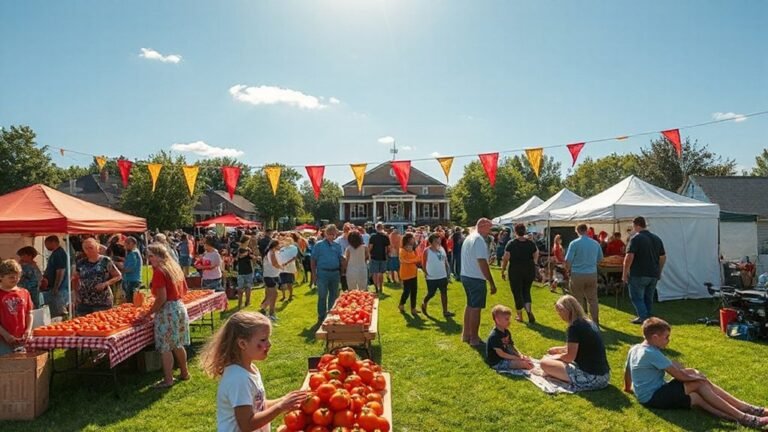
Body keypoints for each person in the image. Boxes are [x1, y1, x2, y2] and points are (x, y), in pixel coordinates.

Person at [624, 317, 768, 428]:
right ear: (655, 337)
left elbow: (627, 371)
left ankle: (735, 417)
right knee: (698, 382)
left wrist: (627, 388)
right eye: (666, 337)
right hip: (654, 396)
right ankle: (747, 416)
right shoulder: (652, 353)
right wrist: (699, 377)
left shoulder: (636, 348)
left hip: (648, 396)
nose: (668, 340)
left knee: (696, 397)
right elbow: (679, 376)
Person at [201, 311, 306, 432]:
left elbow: (258, 406)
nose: (269, 344)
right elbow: (247, 425)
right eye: (263, 340)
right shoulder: (238, 379)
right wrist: (280, 406)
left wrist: (284, 400)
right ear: (242, 344)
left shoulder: (250, 369)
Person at [142, 244, 190, 389]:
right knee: (177, 343)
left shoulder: (160, 271)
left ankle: (168, 380)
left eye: (151, 256)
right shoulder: (174, 267)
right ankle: (184, 372)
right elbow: (185, 290)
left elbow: (162, 298)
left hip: (167, 310)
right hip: (179, 307)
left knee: (165, 347)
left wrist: (148, 312)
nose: (149, 259)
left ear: (159, 256)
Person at [540, 295, 610, 392]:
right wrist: (558, 350)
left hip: (591, 378)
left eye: (560, 311)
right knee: (553, 359)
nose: (559, 314)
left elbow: (569, 357)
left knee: (544, 363)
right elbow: (580, 346)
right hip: (604, 377)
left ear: (568, 310)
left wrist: (555, 357)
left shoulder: (574, 327)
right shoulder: (588, 322)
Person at [460, 218, 498, 346]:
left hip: (466, 275)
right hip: (475, 277)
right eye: (489, 228)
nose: (490, 231)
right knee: (476, 308)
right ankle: (474, 338)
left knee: (470, 305)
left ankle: (466, 334)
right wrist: (491, 282)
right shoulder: (479, 240)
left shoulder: (469, 238)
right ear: (482, 226)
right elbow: (482, 262)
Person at [623, 216, 666, 324]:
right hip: (653, 273)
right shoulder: (656, 238)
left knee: (636, 297)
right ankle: (648, 316)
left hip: (639, 273)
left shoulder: (636, 238)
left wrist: (624, 273)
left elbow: (629, 256)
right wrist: (659, 271)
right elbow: (663, 257)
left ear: (636, 225)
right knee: (648, 297)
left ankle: (644, 317)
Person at [564, 224, 604, 326]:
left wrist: (567, 270)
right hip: (591, 274)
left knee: (578, 299)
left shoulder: (574, 243)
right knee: (593, 299)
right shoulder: (595, 243)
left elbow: (568, 260)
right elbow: (600, 259)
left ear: (577, 231)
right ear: (587, 230)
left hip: (577, 274)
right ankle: (595, 321)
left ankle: (580, 321)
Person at [500, 224, 539, 324]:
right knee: (526, 291)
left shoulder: (511, 243)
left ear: (515, 231)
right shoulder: (530, 243)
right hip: (529, 269)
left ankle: (520, 315)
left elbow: (506, 257)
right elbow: (536, 253)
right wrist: (534, 262)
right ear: (525, 231)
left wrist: (503, 269)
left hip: (515, 270)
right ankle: (529, 312)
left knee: (517, 292)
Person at [75, 238, 122, 316]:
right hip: (84, 301)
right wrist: (75, 293)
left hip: (102, 301)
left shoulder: (105, 261)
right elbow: (75, 278)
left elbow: (118, 276)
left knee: (101, 324)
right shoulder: (81, 262)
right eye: (86, 248)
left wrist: (105, 284)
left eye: (91, 247)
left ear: (97, 248)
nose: (88, 250)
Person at [0, 260, 34, 355]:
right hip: (2, 340)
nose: (15, 279)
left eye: (17, 276)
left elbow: (29, 313)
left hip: (21, 338)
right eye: (11, 277)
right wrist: (5, 335)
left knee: (21, 366)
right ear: (1, 277)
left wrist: (28, 329)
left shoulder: (24, 292)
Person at [486, 304, 534, 372]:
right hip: (498, 362)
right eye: (507, 319)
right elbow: (501, 354)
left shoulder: (506, 332)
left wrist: (519, 355)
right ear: (497, 320)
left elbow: (511, 346)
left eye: (509, 319)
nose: (509, 322)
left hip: (506, 357)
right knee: (524, 364)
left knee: (526, 360)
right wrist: (515, 358)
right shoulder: (494, 336)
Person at [311, 225, 344, 322]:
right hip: (323, 273)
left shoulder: (337, 246)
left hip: (335, 273)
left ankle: (331, 313)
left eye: (333, 234)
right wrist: (314, 274)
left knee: (334, 295)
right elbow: (313, 260)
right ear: (325, 234)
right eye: (330, 234)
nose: (332, 236)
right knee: (322, 295)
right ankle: (321, 315)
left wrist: (343, 269)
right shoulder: (319, 245)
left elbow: (340, 258)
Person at [421, 233, 454, 318]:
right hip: (431, 277)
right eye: (436, 240)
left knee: (444, 293)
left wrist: (448, 274)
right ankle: (424, 303)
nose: (438, 241)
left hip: (442, 276)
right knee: (431, 293)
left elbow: (445, 261)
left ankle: (445, 311)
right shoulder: (426, 251)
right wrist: (426, 273)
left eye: (439, 240)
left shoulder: (442, 249)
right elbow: (423, 264)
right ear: (431, 242)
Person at [42, 235, 70, 317]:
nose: (46, 246)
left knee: (59, 313)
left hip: (60, 289)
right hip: (56, 288)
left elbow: (60, 271)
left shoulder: (59, 253)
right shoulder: (55, 253)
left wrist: (56, 287)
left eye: (46, 244)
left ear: (53, 242)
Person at [398, 233, 421, 315]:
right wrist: (413, 260)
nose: (413, 240)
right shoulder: (402, 250)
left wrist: (413, 260)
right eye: (412, 238)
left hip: (414, 273)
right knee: (406, 291)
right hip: (405, 273)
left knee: (414, 291)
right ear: (408, 239)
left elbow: (418, 258)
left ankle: (413, 308)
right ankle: (401, 304)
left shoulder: (414, 249)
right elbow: (404, 260)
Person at [260, 240, 282, 322]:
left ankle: (263, 308)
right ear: (275, 245)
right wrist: (282, 267)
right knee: (274, 294)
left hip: (274, 275)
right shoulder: (271, 253)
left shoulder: (274, 252)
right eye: (279, 245)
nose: (280, 246)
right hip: (269, 276)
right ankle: (271, 313)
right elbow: (274, 264)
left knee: (270, 295)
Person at [368, 223, 390, 294]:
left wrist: (369, 255)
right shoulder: (385, 237)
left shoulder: (373, 237)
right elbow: (387, 248)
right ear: (382, 228)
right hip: (383, 257)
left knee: (375, 273)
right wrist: (386, 255)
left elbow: (370, 247)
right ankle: (380, 287)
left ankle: (376, 288)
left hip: (374, 256)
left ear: (376, 228)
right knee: (381, 274)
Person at [122, 237, 143, 303]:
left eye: (128, 243)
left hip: (132, 281)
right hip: (134, 280)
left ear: (134, 244)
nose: (126, 245)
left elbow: (130, 268)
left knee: (131, 303)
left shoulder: (133, 253)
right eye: (125, 243)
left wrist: (120, 270)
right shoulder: (135, 252)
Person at [277, 237, 298, 301]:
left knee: (289, 283)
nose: (286, 242)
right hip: (282, 268)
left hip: (289, 268)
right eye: (285, 240)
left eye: (288, 241)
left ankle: (290, 296)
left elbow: (294, 257)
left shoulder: (294, 248)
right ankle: (283, 296)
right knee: (282, 282)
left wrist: (286, 263)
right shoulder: (282, 249)